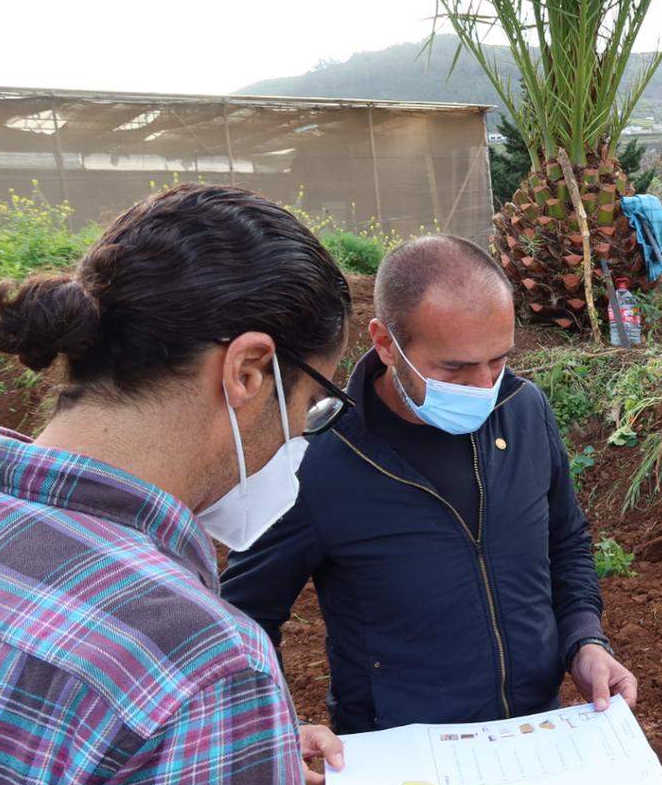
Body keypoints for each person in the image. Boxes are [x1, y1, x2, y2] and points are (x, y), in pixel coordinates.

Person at [0, 185, 354, 785]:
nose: (301, 434)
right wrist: (209, 738)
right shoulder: (197, 671)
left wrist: (227, 781)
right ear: (250, 372)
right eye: (312, 403)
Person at [222, 236, 636, 733]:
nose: (485, 386)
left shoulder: (523, 411)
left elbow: (565, 542)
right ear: (386, 344)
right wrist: (276, 733)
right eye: (455, 368)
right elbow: (242, 620)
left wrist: (585, 642)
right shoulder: (317, 460)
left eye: (499, 359)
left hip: (534, 738)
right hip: (402, 764)